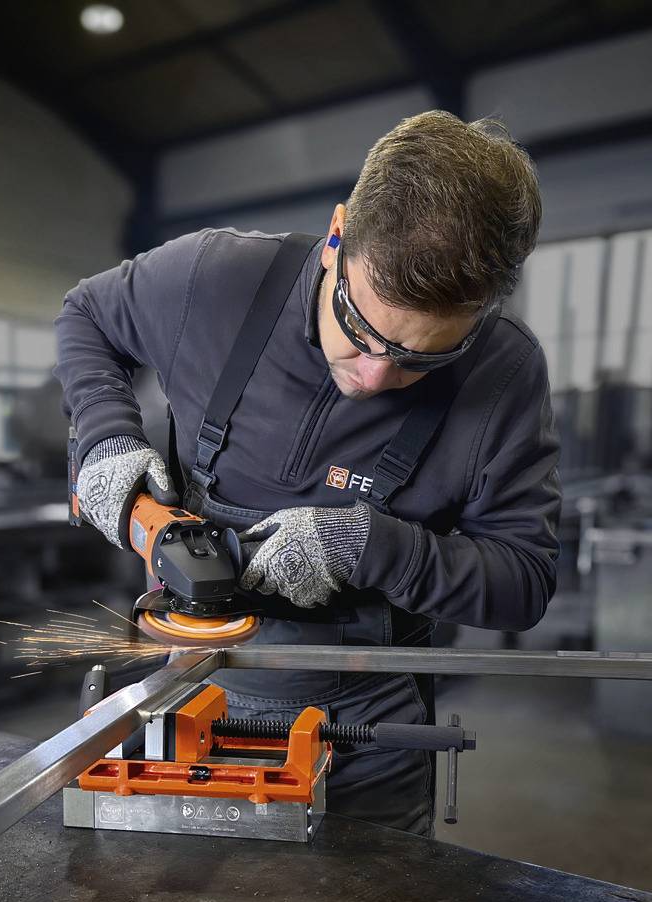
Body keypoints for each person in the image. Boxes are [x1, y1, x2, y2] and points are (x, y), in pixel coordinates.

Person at [55, 110, 561, 836]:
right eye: (362, 329)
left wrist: (371, 547)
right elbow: (86, 316)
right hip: (179, 706)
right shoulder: (215, 279)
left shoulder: (505, 374)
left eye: (424, 357)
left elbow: (523, 584)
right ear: (335, 237)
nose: (379, 374)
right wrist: (106, 435)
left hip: (362, 748)